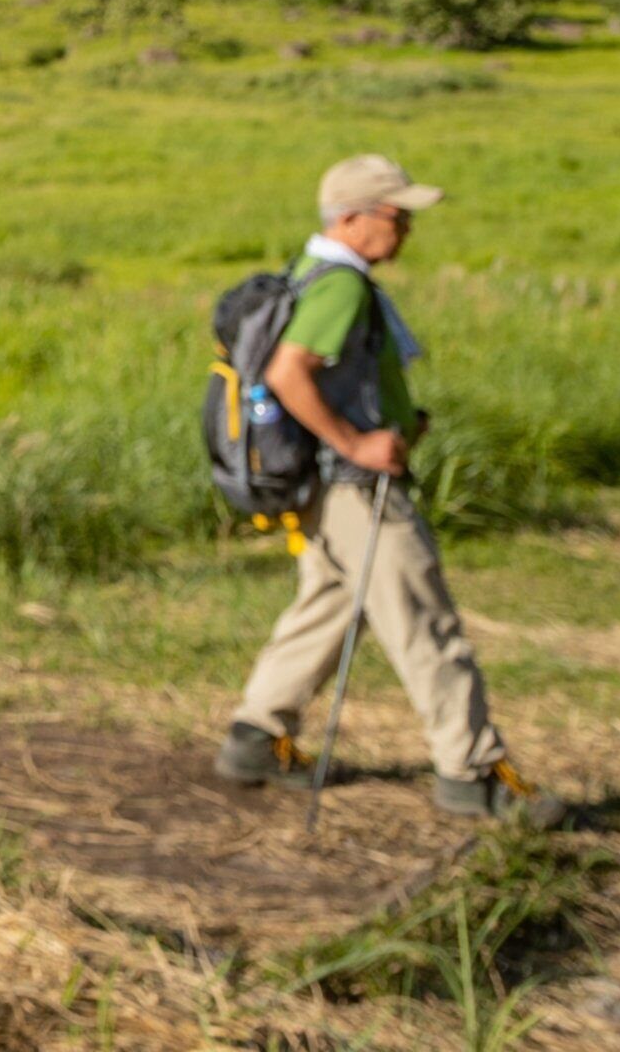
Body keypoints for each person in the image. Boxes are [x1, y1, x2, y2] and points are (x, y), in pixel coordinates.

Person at [213, 153, 566, 825]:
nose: (406, 230)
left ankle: (256, 738)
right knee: (421, 616)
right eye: (396, 216)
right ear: (351, 219)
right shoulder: (340, 285)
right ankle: (471, 772)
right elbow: (291, 373)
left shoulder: (313, 274)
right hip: (353, 488)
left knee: (332, 604)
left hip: (325, 485)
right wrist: (357, 442)